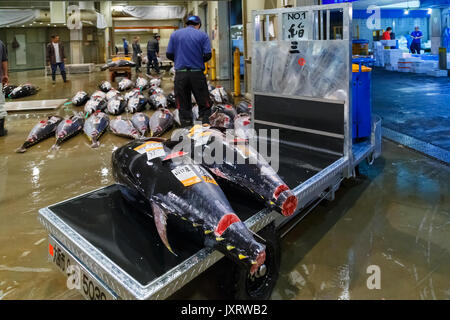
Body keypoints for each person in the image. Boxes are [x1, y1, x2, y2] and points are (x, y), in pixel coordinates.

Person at [166, 16, 212, 127]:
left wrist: (179, 60)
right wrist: (196, 59)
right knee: (203, 102)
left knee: (182, 103)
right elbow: (207, 55)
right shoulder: (203, 35)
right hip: (197, 74)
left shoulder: (175, 35)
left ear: (186, 23)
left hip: (180, 74)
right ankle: (204, 126)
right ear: (199, 24)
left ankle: (187, 128)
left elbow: (169, 54)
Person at [0, 39, 8, 136]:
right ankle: (0, 130)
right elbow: (4, 60)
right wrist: (5, 75)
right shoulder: (1, 43)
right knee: (0, 105)